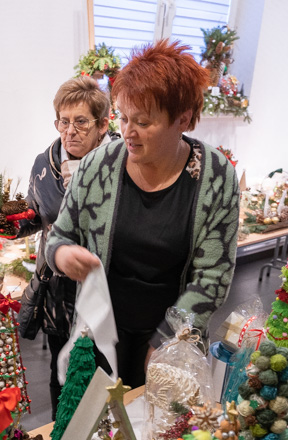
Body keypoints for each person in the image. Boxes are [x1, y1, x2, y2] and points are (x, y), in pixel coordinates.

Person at [45, 40, 240, 389]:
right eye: (123, 117)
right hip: (102, 330)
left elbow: (214, 275)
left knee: (158, 431)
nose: (128, 133)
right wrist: (61, 253)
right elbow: (59, 235)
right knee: (97, 428)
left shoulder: (215, 176)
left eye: (144, 122)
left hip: (174, 334)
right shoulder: (98, 165)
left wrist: (169, 340)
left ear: (183, 120)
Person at [17, 76, 115, 419]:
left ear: (103, 125)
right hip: (58, 293)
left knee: (103, 376)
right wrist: (9, 221)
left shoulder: (120, 165)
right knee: (61, 377)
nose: (70, 131)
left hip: (104, 292)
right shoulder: (44, 164)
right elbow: (35, 214)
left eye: (81, 122)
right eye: (63, 121)